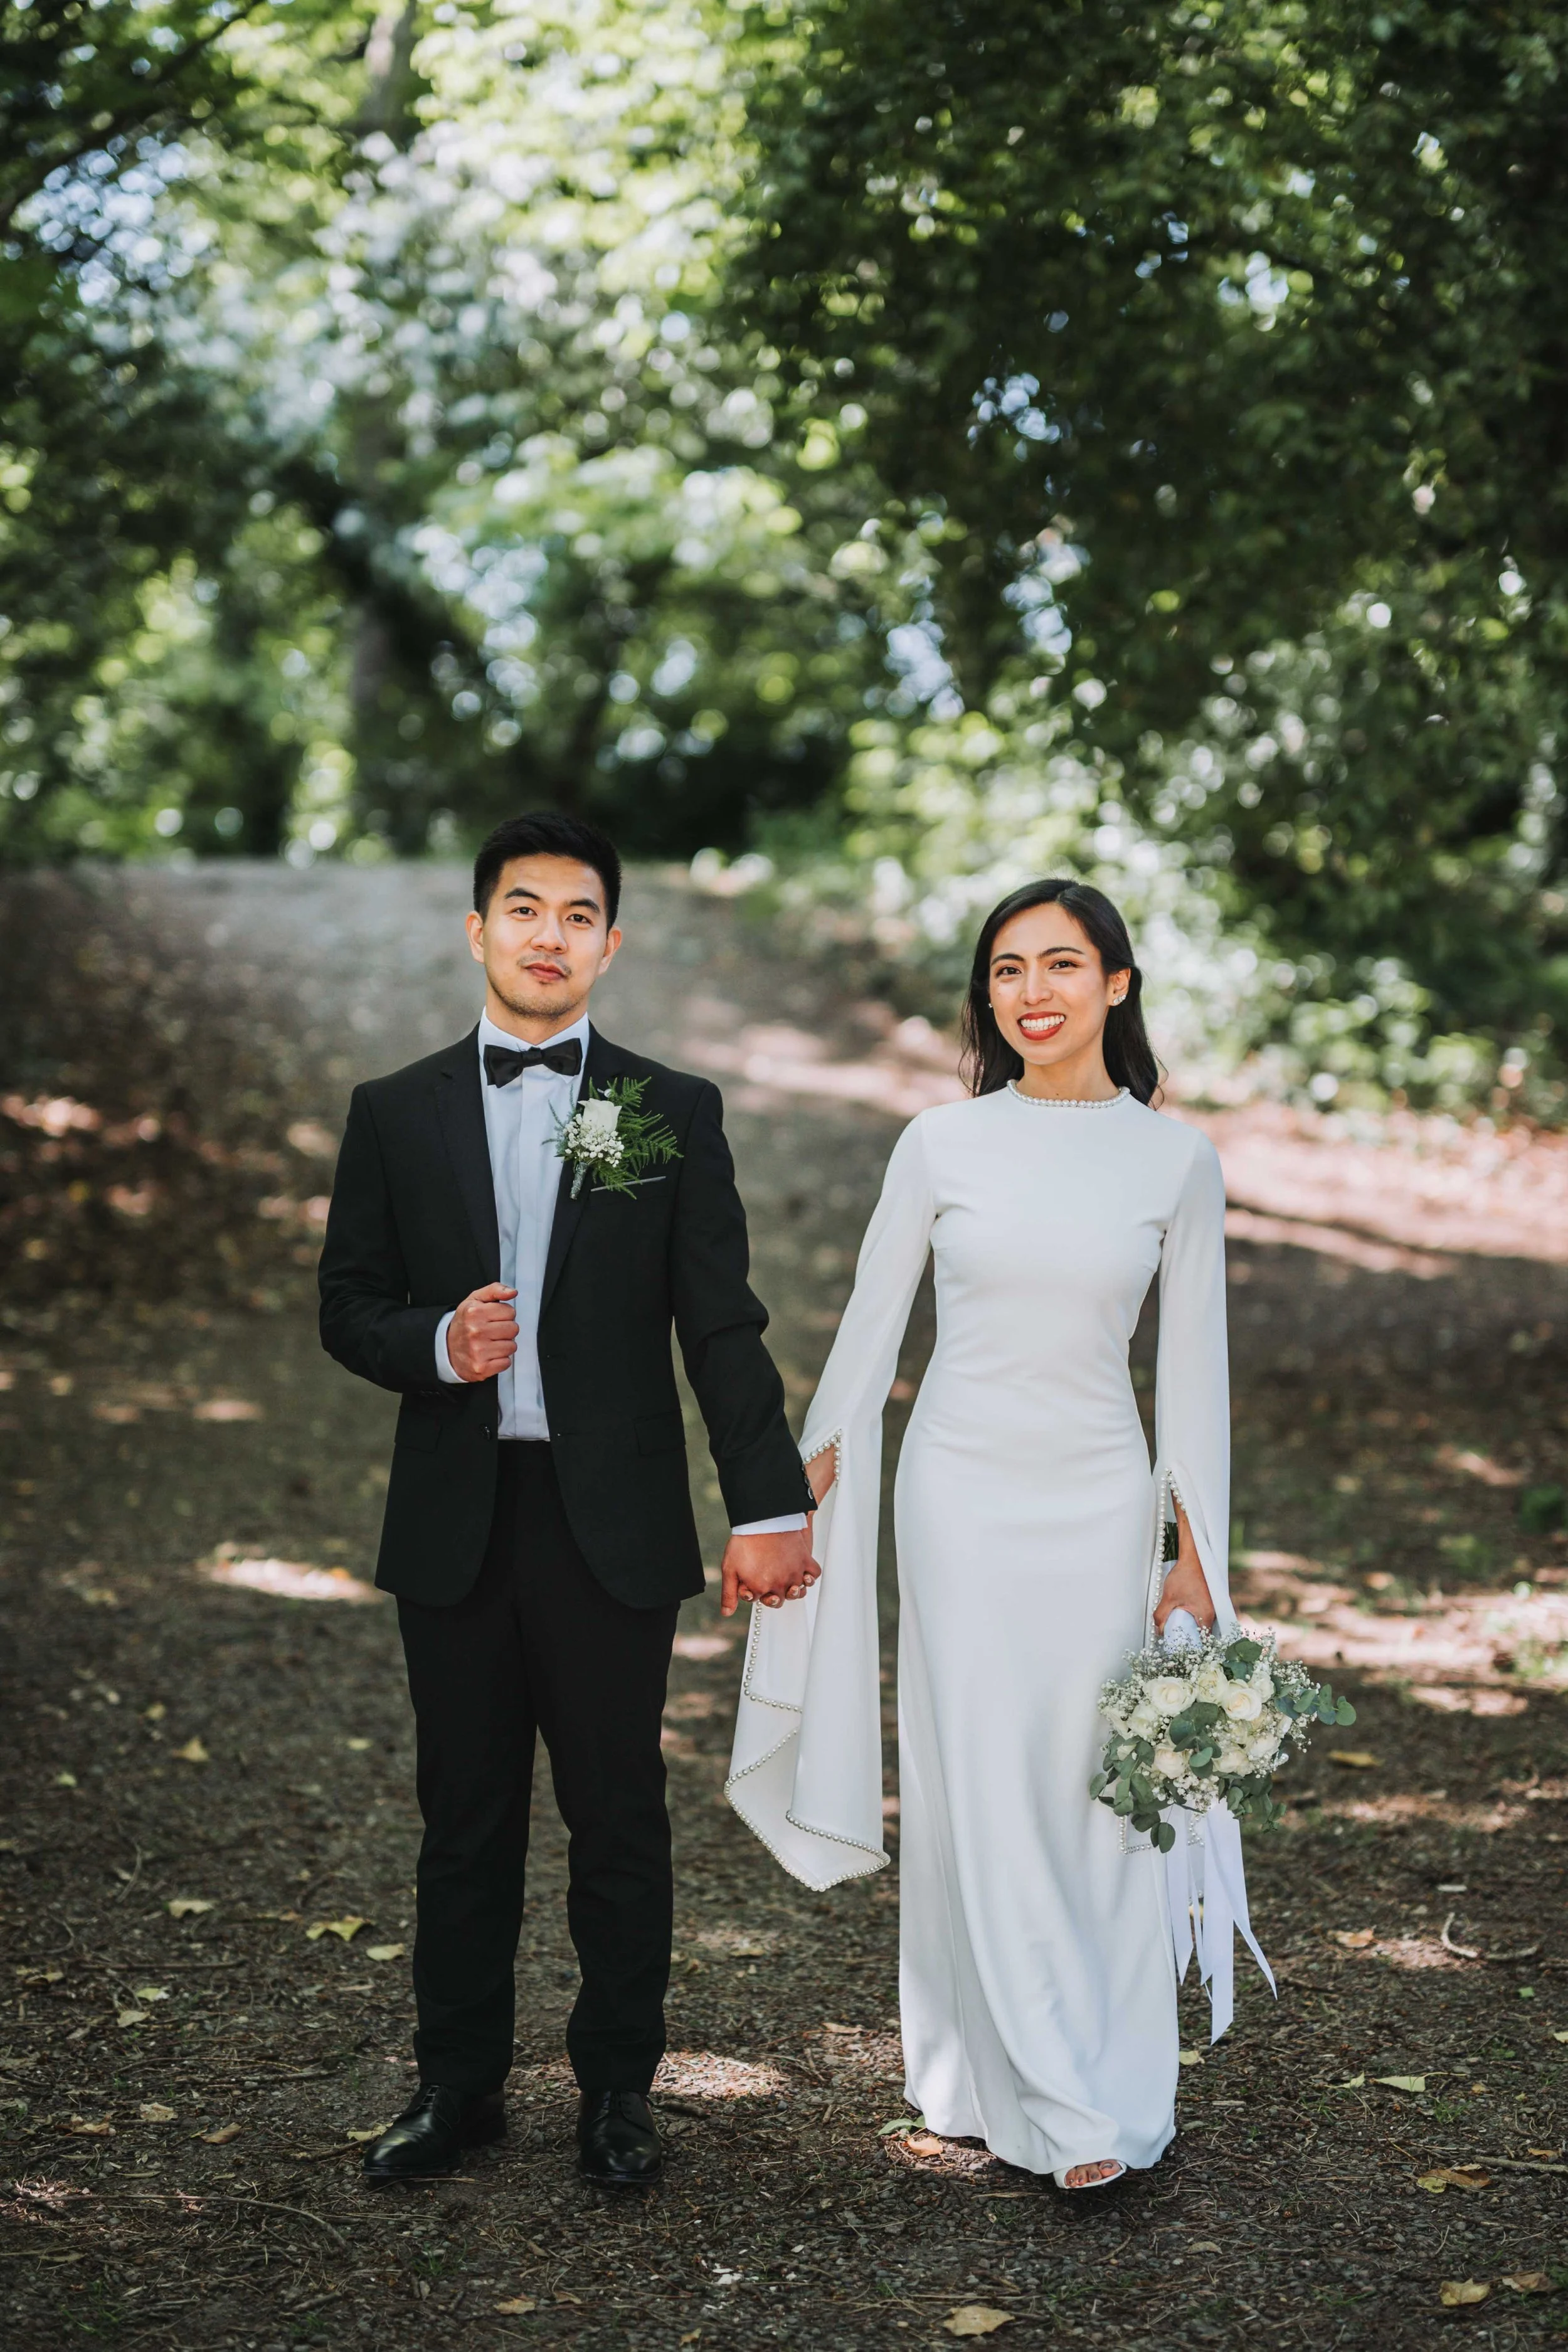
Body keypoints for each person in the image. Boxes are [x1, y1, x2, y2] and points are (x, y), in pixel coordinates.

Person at [319, 810, 818, 2189]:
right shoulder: (394, 1111)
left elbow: (719, 1326)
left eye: (577, 913)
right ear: (477, 929)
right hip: (456, 1519)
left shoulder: (663, 1111)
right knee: (464, 1815)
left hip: (610, 1523)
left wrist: (767, 1506)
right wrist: (433, 1345)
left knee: (616, 1816)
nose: (550, 935)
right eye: (522, 909)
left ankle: (616, 2092)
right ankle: (456, 2086)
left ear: (611, 942)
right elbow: (344, 1304)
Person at [726, 877, 1246, 2190]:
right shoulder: (938, 1144)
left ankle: (1066, 2070)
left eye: (1061, 965)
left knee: (1094, 1794)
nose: (1031, 993)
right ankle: (1053, 2106)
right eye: (1007, 970)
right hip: (956, 1496)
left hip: (1098, 1499)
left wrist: (1190, 1560)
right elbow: (863, 1339)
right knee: (977, 1784)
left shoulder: (1174, 1159)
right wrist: (794, 1500)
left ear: (1114, 986)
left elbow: (1191, 1377)